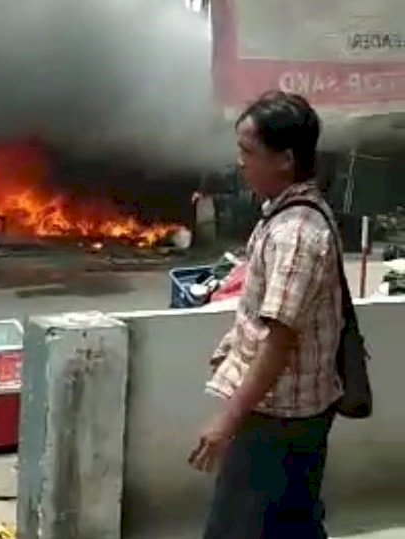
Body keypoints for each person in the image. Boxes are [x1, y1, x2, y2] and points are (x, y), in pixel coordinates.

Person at [188, 91, 343, 538]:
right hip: (292, 415)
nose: (241, 162)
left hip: (277, 421)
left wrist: (226, 423)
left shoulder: (295, 234)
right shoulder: (285, 217)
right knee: (293, 525)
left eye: (248, 151)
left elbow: (278, 342)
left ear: (285, 159)